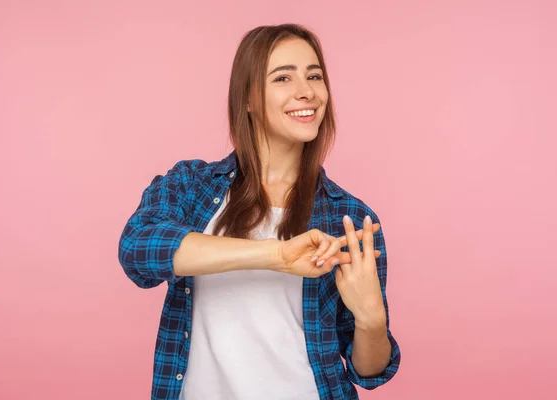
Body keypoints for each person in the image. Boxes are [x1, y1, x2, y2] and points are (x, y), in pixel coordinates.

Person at [118, 23, 401, 400]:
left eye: (314, 75)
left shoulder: (348, 215)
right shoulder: (192, 185)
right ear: (248, 98)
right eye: (283, 77)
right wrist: (276, 255)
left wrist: (371, 318)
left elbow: (370, 371)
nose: (307, 91)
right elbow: (138, 249)